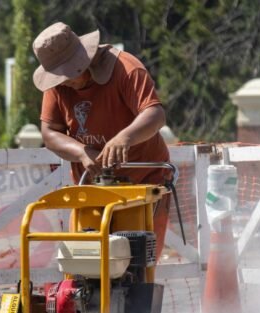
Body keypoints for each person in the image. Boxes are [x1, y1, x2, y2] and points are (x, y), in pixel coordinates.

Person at [32, 21, 172, 258]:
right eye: (58, 77)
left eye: (68, 74)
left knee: (136, 265)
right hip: (91, 190)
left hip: (142, 184)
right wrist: (81, 152)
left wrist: (125, 137)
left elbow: (155, 114)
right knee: (85, 264)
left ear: (83, 60)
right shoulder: (57, 84)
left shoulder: (126, 68)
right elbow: (49, 133)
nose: (63, 82)